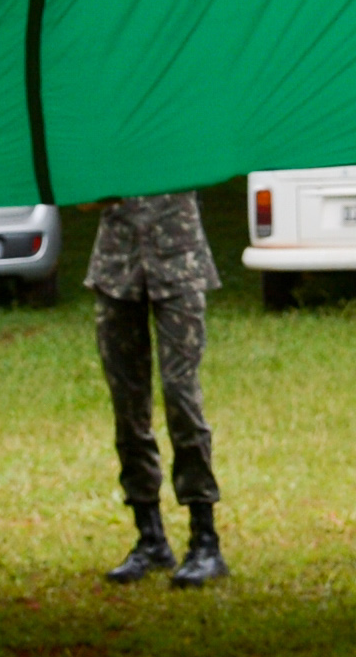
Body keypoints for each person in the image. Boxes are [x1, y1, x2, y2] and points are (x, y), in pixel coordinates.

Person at [86, 192, 228, 587]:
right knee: (128, 408)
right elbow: (80, 198)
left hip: (179, 263)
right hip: (117, 267)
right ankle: (150, 539)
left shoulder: (178, 130)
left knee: (181, 397)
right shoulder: (103, 135)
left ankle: (205, 541)